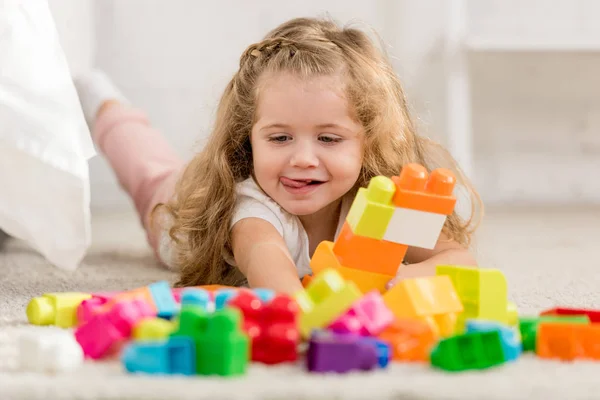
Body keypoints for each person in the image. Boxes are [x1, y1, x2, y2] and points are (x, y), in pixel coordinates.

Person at [75, 17, 482, 295]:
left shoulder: (380, 204)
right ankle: (102, 102)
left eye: (328, 138)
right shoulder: (252, 211)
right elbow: (272, 274)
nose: (303, 158)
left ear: (368, 143)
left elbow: (459, 259)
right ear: (248, 138)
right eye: (280, 137)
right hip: (182, 214)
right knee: (151, 172)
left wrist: (400, 278)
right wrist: (324, 307)